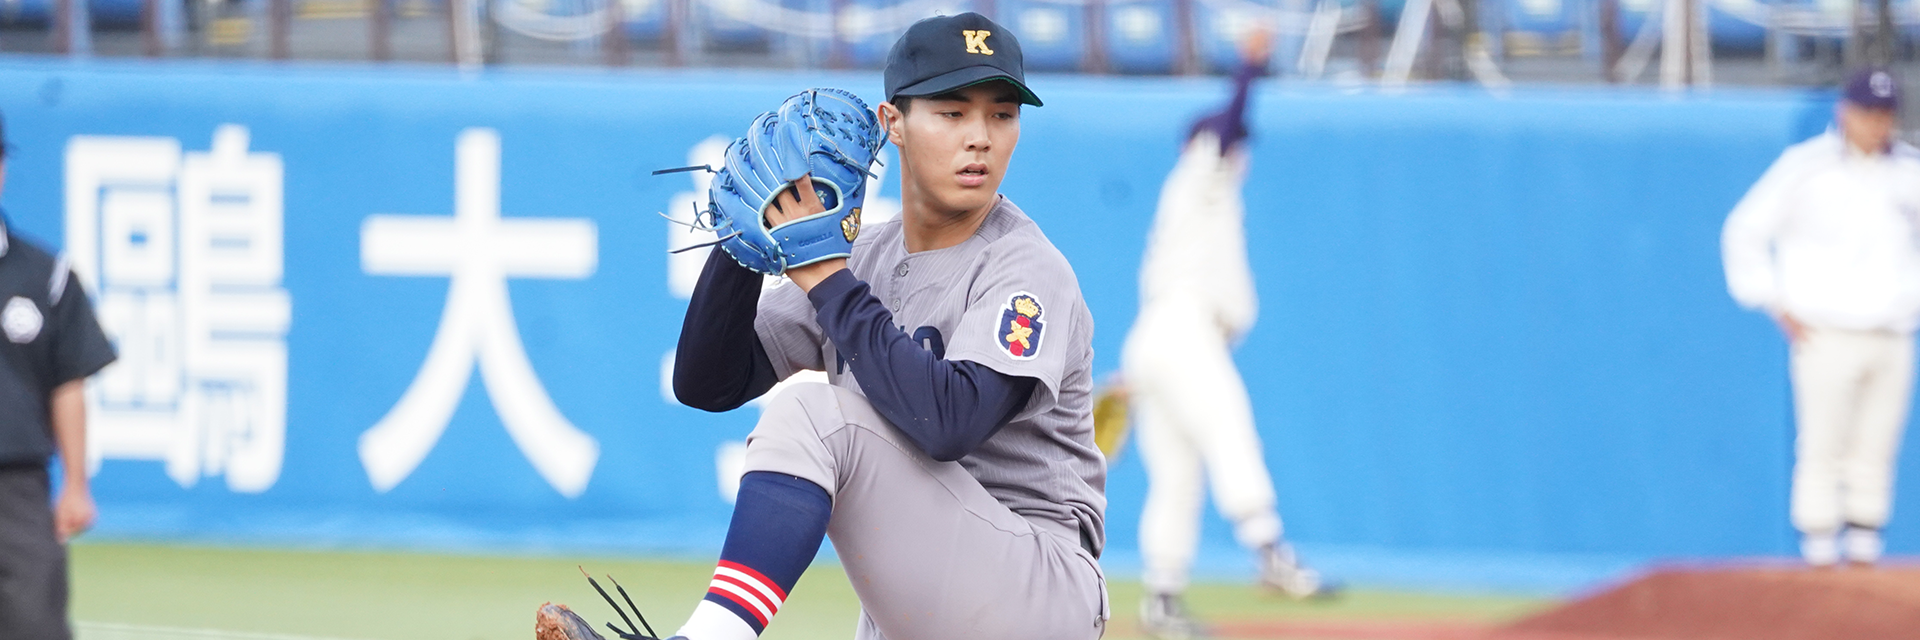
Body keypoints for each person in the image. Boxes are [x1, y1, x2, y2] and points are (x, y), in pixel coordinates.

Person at [537, 12, 1106, 640]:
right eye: (952, 112)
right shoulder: (866, 258)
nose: (981, 137)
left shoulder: (1024, 266)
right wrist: (743, 241)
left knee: (815, 414)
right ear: (893, 123)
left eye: (1002, 114)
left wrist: (825, 274)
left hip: (1036, 588)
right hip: (924, 605)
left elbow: (951, 423)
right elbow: (708, 382)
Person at [1119, 29, 1330, 640]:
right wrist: (1249, 67)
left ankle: (1162, 597)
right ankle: (1271, 553)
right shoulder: (1198, 176)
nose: (1241, 153)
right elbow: (1228, 127)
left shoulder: (1198, 201)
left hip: (1158, 341)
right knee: (1230, 428)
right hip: (1183, 333)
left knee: (1177, 478)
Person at [1722, 67, 1920, 567]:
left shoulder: (1909, 170)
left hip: (1892, 330)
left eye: (1885, 113)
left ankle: (1864, 560)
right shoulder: (1806, 166)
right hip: (1825, 328)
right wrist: (1770, 299)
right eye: (1868, 112)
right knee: (1822, 448)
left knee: (1875, 450)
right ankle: (1819, 562)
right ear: (1844, 111)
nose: (1877, 123)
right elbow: (1744, 229)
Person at [0, 112, 119, 639]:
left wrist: (75, 484)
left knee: (34, 623)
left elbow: (69, 383)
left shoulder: (45, 275)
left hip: (15, 487)